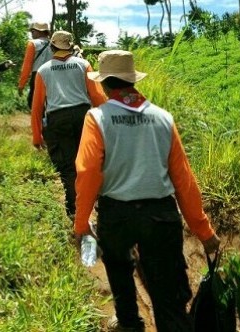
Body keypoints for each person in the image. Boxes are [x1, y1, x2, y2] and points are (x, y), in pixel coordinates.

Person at [74, 50, 221, 332]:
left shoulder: (97, 118)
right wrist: (204, 231)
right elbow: (184, 181)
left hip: (116, 214)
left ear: (104, 84)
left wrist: (82, 223)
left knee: (118, 267)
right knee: (168, 291)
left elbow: (88, 173)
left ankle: (129, 322)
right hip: (161, 214)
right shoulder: (163, 118)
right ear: (132, 81)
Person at [30, 30, 107, 220]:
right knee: (91, 162)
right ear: (71, 46)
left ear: (52, 47)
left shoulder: (43, 70)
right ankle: (100, 203)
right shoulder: (84, 65)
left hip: (57, 120)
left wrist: (37, 135)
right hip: (84, 116)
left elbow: (37, 107)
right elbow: (97, 96)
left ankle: (75, 212)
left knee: (68, 168)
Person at [17, 22, 52, 109]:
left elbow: (27, 66)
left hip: (37, 75)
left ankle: (38, 121)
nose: (31, 34)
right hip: (52, 76)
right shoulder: (54, 44)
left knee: (34, 103)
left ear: (40, 32)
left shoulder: (32, 44)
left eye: (33, 31)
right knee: (50, 102)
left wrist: (21, 84)